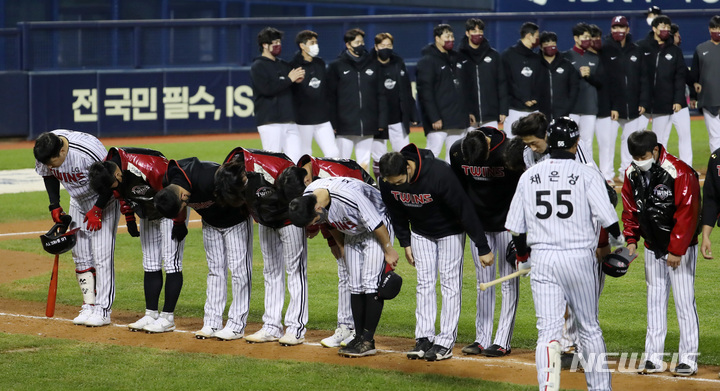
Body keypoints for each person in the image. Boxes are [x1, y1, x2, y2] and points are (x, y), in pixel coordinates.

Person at [505, 117, 622, 390]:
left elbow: (516, 230)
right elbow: (609, 221)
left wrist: (524, 258)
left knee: (547, 333)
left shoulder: (528, 176)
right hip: (580, 259)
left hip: (543, 260)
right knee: (589, 328)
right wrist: (620, 246)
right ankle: (600, 388)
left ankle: (548, 387)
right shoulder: (587, 173)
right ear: (576, 143)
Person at [379, 144, 494, 361]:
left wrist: (482, 246)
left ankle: (445, 341)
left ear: (408, 168)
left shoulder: (440, 173)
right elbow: (396, 212)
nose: (397, 187)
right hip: (421, 233)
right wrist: (405, 241)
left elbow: (464, 209)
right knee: (424, 283)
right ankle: (424, 337)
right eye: (392, 183)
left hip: (450, 231)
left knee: (450, 284)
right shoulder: (387, 181)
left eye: (399, 182)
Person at [288, 177, 400, 357]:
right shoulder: (310, 197)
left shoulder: (348, 196)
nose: (315, 225)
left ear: (317, 208)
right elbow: (329, 222)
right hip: (352, 230)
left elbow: (376, 223)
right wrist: (340, 246)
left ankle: (368, 341)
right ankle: (357, 337)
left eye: (314, 221)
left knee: (371, 283)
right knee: (354, 284)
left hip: (376, 226)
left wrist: (388, 249)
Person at [621, 130, 700, 377]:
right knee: (654, 303)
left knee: (684, 302)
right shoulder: (632, 172)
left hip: (681, 249)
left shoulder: (679, 171)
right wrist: (631, 239)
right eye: (634, 156)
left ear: (655, 150)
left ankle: (688, 359)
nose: (638, 160)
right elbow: (630, 208)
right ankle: (653, 358)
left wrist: (676, 249)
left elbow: (688, 213)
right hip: (652, 248)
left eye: (642, 155)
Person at [276, 154, 374, 348]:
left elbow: (344, 208)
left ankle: (358, 329)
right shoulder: (303, 174)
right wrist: (334, 243)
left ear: (307, 181)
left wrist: (340, 243)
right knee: (345, 271)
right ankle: (345, 326)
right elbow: (323, 215)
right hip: (342, 219)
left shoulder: (330, 176)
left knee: (361, 274)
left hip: (364, 215)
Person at [88, 147, 188, 333]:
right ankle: (151, 314)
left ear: (119, 173)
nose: (113, 189)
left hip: (170, 210)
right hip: (148, 211)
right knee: (150, 263)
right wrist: (129, 216)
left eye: (113, 185)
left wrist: (179, 221)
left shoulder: (149, 168)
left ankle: (168, 318)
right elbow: (122, 192)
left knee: (172, 264)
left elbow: (179, 190)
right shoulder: (108, 171)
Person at [154, 157, 253, 341]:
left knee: (239, 272)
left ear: (184, 196)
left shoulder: (208, 177)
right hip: (210, 223)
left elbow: (240, 182)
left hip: (236, 222)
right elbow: (176, 205)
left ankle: (236, 325)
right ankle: (212, 322)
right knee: (215, 271)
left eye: (184, 206)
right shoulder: (169, 182)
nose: (186, 207)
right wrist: (179, 222)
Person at [222, 147, 308, 346]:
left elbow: (297, 190)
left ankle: (296, 328)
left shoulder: (270, 167)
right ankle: (271, 326)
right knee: (271, 272)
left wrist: (303, 220)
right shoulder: (231, 171)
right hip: (266, 222)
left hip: (289, 222)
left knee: (295, 272)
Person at [33, 130, 119, 327]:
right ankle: (89, 304)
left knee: (102, 255)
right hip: (77, 200)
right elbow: (48, 175)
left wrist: (97, 209)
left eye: (52, 161)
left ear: (63, 150)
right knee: (80, 254)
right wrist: (54, 205)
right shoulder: (45, 149)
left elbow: (111, 181)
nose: (47, 165)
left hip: (103, 200)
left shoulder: (88, 151)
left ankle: (103, 310)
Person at [449, 127, 522, 357]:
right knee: (484, 283)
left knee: (508, 282)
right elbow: (460, 195)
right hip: (478, 225)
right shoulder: (458, 153)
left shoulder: (512, 152)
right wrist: (477, 236)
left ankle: (503, 340)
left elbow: (524, 194)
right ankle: (482, 338)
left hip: (509, 225)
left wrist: (520, 238)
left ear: (490, 146)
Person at [326, 28, 387, 170]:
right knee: (342, 164)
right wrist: (334, 122)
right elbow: (330, 97)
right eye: (357, 42)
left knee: (364, 164)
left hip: (368, 122)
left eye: (362, 42)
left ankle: (362, 191)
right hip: (344, 124)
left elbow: (381, 94)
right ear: (348, 45)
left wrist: (381, 120)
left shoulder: (373, 64)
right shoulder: (337, 66)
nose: (361, 45)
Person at [601, 15, 648, 181]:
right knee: (608, 143)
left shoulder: (636, 50)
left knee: (630, 142)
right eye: (615, 27)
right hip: (611, 107)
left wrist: (643, 101)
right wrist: (611, 105)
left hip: (633, 105)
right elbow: (604, 81)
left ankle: (626, 173)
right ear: (611, 29)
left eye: (621, 27)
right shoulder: (605, 50)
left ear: (627, 29)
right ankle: (606, 175)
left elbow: (644, 77)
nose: (618, 31)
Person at [416, 23, 471, 162]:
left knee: (455, 156)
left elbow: (464, 90)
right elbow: (425, 92)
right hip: (439, 120)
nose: (451, 39)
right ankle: (426, 183)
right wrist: (434, 117)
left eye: (452, 36)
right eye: (447, 36)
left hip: (457, 118)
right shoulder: (427, 61)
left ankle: (450, 183)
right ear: (437, 38)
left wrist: (468, 113)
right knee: (432, 154)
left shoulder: (456, 58)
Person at [250, 27, 304, 163]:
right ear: (264, 45)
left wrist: (297, 82)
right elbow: (266, 89)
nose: (278, 45)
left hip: (289, 120)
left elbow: (292, 89)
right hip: (270, 122)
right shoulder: (258, 66)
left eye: (279, 42)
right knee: (273, 162)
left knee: (296, 161)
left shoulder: (284, 65)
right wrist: (289, 80)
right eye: (274, 42)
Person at [642, 16, 691, 166]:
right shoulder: (643, 47)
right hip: (647, 101)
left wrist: (678, 99)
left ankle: (682, 166)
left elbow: (680, 77)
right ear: (654, 28)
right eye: (662, 26)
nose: (665, 30)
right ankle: (649, 166)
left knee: (665, 137)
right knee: (646, 137)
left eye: (667, 27)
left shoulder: (674, 51)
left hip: (668, 102)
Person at [370, 32, 418, 177]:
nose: (386, 48)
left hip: (398, 117)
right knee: (378, 157)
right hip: (377, 119)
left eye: (389, 45)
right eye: (383, 45)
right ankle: (381, 186)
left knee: (404, 155)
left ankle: (403, 184)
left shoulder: (398, 62)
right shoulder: (369, 64)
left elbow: (407, 89)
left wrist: (412, 113)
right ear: (376, 47)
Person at [289, 30, 340, 159]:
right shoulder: (293, 65)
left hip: (323, 118)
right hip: (303, 119)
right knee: (304, 155)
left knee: (333, 153)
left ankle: (329, 179)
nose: (315, 45)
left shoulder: (320, 63)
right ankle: (306, 179)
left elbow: (326, 90)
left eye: (316, 42)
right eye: (311, 43)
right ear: (302, 45)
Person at [459, 18, 508, 129]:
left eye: (480, 31)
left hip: (490, 114)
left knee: (493, 145)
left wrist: (503, 110)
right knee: (470, 146)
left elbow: (501, 83)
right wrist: (465, 111)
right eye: (474, 31)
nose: (478, 34)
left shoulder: (493, 55)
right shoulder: (459, 56)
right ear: (467, 33)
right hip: (469, 116)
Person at [565, 23, 603, 164]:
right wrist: (577, 74)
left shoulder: (595, 58)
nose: (588, 40)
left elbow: (601, 83)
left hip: (589, 107)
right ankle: (570, 167)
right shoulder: (566, 57)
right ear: (576, 38)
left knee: (587, 142)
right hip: (572, 107)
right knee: (570, 140)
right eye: (585, 37)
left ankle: (587, 168)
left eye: (589, 37)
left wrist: (589, 76)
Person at [501, 22, 543, 131]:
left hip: (534, 110)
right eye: (537, 36)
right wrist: (524, 98)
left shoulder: (536, 58)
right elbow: (506, 82)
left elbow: (540, 81)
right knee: (511, 144)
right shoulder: (508, 55)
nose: (538, 39)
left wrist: (534, 98)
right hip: (514, 109)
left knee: (533, 145)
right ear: (529, 35)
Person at [690, 15, 720, 152]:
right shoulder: (701, 49)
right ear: (709, 29)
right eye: (714, 28)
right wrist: (693, 96)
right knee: (714, 136)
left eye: (719, 28)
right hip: (708, 99)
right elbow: (694, 75)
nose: (716, 31)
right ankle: (718, 168)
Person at [538, 31, 580, 121]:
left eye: (553, 43)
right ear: (541, 47)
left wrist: (568, 105)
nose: (550, 46)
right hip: (540, 113)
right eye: (547, 44)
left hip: (562, 112)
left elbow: (574, 85)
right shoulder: (536, 64)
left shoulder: (566, 64)